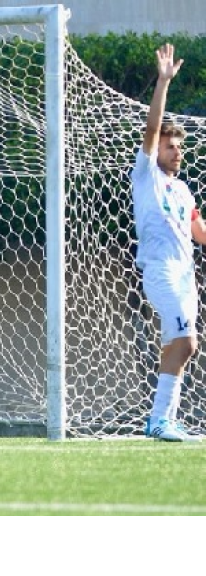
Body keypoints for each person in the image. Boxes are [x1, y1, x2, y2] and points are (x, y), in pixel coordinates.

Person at [132, 44, 206, 443]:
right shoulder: (146, 176)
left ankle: (163, 421)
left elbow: (200, 234)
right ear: (155, 150)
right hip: (159, 269)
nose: (176, 150)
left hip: (185, 275)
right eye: (169, 145)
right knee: (187, 342)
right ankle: (160, 421)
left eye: (179, 146)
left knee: (176, 348)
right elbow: (151, 128)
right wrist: (163, 82)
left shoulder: (183, 192)